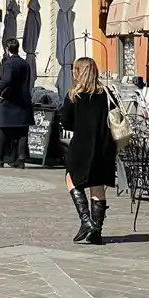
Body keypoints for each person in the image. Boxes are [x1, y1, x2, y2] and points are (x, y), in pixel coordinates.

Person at [59, 57, 116, 245]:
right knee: (97, 184)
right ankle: (96, 231)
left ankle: (87, 222)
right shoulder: (107, 93)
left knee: (71, 178)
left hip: (82, 145)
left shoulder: (73, 96)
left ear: (78, 72)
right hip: (104, 145)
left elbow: (66, 122)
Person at [0, 39, 34, 169]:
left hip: (9, 102)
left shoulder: (9, 64)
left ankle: (0, 158)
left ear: (7, 49)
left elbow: (7, 80)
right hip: (24, 101)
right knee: (22, 131)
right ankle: (20, 159)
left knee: (3, 129)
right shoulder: (25, 63)